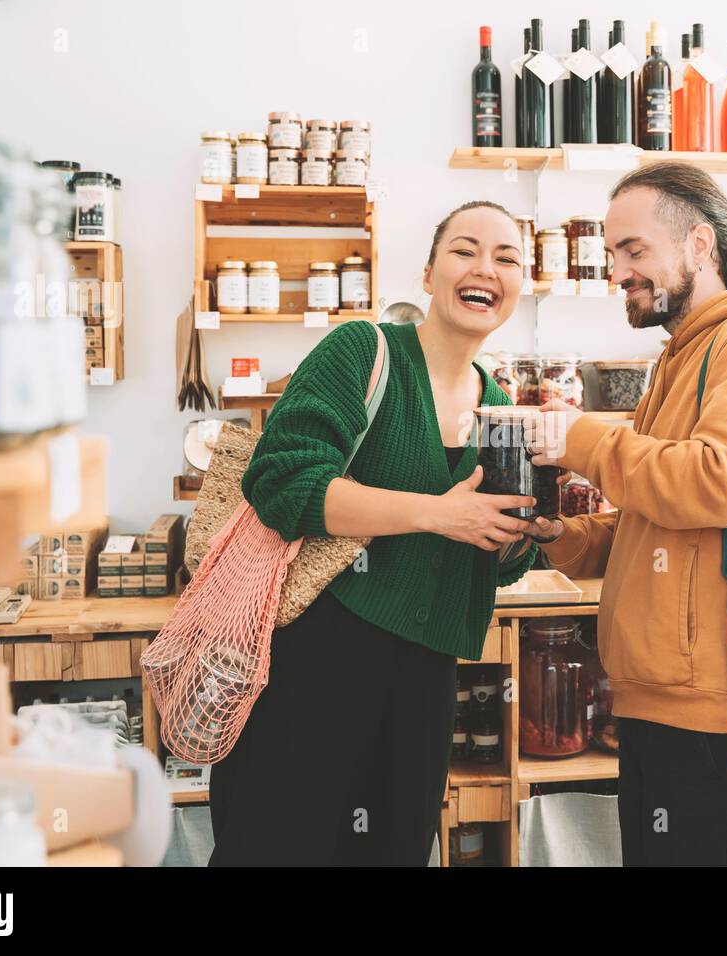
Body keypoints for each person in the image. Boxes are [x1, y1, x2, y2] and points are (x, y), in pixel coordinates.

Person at [525, 162, 727, 866]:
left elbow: (721, 481)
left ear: (699, 246)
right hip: (661, 697)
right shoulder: (684, 356)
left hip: (708, 709)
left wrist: (581, 436)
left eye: (634, 250)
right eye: (612, 255)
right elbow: (659, 513)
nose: (619, 271)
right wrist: (565, 539)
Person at [209, 201, 538, 866]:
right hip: (317, 651)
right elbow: (282, 483)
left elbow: (496, 567)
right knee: (274, 847)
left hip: (425, 678)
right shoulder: (366, 352)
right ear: (427, 272)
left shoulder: (500, 408)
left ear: (521, 286)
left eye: (507, 259)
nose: (485, 269)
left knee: (391, 850)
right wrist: (437, 512)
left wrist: (523, 535)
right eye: (465, 250)